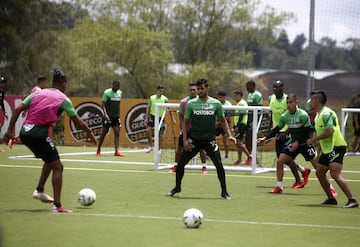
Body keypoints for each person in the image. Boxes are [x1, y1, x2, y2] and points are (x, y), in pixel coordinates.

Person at [3, 65, 97, 213]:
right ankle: (58, 206)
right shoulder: (63, 99)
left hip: (25, 132)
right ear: (63, 84)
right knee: (58, 167)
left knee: (50, 160)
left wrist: (9, 131)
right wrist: (90, 134)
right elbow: (78, 122)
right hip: (38, 134)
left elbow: (17, 109)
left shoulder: (37, 93)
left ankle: (39, 190)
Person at [166, 78, 236, 200]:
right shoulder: (191, 104)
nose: (199, 91)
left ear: (208, 88)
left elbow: (223, 120)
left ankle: (224, 192)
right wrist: (185, 140)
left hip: (209, 140)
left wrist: (229, 134)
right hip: (194, 139)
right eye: (198, 89)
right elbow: (185, 123)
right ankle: (177, 188)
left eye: (202, 88)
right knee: (181, 164)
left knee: (219, 165)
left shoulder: (216, 104)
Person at [258, 94, 319, 193]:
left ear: (296, 103)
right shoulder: (285, 116)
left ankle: (330, 187)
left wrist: (297, 142)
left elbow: (307, 133)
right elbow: (277, 129)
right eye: (287, 102)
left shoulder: (303, 115)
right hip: (293, 144)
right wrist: (265, 138)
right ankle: (279, 187)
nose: (288, 104)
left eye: (291, 102)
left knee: (319, 169)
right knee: (280, 161)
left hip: (304, 144)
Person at [307, 90, 358, 208]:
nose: (310, 102)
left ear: (318, 101)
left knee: (334, 174)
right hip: (327, 149)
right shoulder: (318, 115)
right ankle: (331, 198)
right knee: (319, 172)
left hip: (337, 147)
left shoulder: (326, 114)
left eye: (312, 99)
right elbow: (323, 135)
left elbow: (329, 132)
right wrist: (319, 152)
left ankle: (352, 200)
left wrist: (313, 140)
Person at [268, 80, 310, 189]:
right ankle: (302, 171)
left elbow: (291, 118)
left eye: (279, 87)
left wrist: (286, 132)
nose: (276, 89)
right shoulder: (271, 98)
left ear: (283, 88)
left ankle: (298, 179)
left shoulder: (287, 99)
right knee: (282, 158)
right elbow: (273, 115)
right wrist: (270, 131)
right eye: (274, 87)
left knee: (284, 158)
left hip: (287, 133)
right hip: (278, 131)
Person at [170, 83, 208, 174]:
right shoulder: (183, 102)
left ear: (197, 90)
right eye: (191, 90)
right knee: (179, 147)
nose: (192, 91)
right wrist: (182, 126)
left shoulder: (201, 101)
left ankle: (204, 167)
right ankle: (176, 165)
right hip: (187, 129)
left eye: (194, 90)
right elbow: (180, 114)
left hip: (197, 130)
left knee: (202, 148)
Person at [96, 80, 125, 157]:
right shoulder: (107, 93)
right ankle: (98, 149)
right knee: (104, 133)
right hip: (108, 116)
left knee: (117, 132)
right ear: (112, 85)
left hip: (116, 117)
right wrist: (105, 114)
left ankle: (116, 151)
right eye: (115, 85)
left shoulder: (120, 93)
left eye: (118, 86)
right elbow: (103, 105)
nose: (117, 87)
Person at [144, 85, 174, 153]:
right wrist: (146, 118)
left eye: (163, 91)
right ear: (157, 91)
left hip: (160, 118)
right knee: (148, 131)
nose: (161, 92)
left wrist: (172, 118)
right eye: (160, 91)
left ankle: (159, 149)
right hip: (152, 116)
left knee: (160, 134)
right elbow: (148, 107)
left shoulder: (165, 99)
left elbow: (169, 108)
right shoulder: (152, 98)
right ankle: (150, 146)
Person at [232, 89, 252, 165]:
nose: (234, 97)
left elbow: (241, 115)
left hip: (241, 125)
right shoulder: (240, 103)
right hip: (240, 125)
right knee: (238, 142)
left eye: (235, 95)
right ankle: (239, 159)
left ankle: (249, 156)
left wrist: (237, 126)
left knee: (238, 142)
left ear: (239, 95)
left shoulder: (241, 103)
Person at [244, 80, 263, 164]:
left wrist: (258, 120)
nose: (247, 88)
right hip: (249, 119)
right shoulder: (249, 95)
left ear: (253, 86)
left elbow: (259, 107)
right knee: (247, 139)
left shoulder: (257, 95)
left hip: (255, 120)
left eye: (248, 86)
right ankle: (251, 157)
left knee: (252, 138)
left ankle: (254, 158)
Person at [215, 91, 232, 160]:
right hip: (217, 124)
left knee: (225, 141)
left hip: (225, 125)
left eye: (220, 97)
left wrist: (220, 122)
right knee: (211, 139)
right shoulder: (216, 103)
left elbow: (228, 116)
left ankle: (226, 156)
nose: (219, 99)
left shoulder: (228, 105)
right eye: (218, 97)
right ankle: (209, 154)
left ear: (224, 97)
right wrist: (216, 122)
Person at [0, 76, 8, 152]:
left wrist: (4, 111)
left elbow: (1, 102)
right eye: (1, 82)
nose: (1, 84)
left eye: (2, 83)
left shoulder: (2, 92)